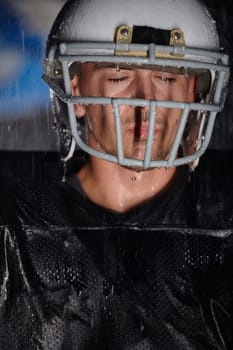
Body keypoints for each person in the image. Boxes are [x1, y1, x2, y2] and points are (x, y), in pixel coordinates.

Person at [0, 0, 233, 348]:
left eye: (167, 77)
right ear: (75, 90)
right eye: (119, 76)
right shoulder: (12, 220)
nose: (147, 101)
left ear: (193, 90)